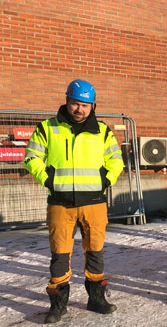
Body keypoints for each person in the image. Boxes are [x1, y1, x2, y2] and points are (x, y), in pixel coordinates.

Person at [24, 79, 124, 323]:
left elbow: (116, 161)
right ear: (67, 101)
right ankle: (58, 304)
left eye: (85, 105)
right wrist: (49, 180)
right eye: (75, 103)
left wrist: (104, 181)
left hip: (94, 202)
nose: (79, 109)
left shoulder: (103, 131)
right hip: (61, 203)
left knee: (95, 252)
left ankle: (96, 299)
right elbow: (32, 157)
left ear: (93, 106)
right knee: (59, 255)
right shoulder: (48, 127)